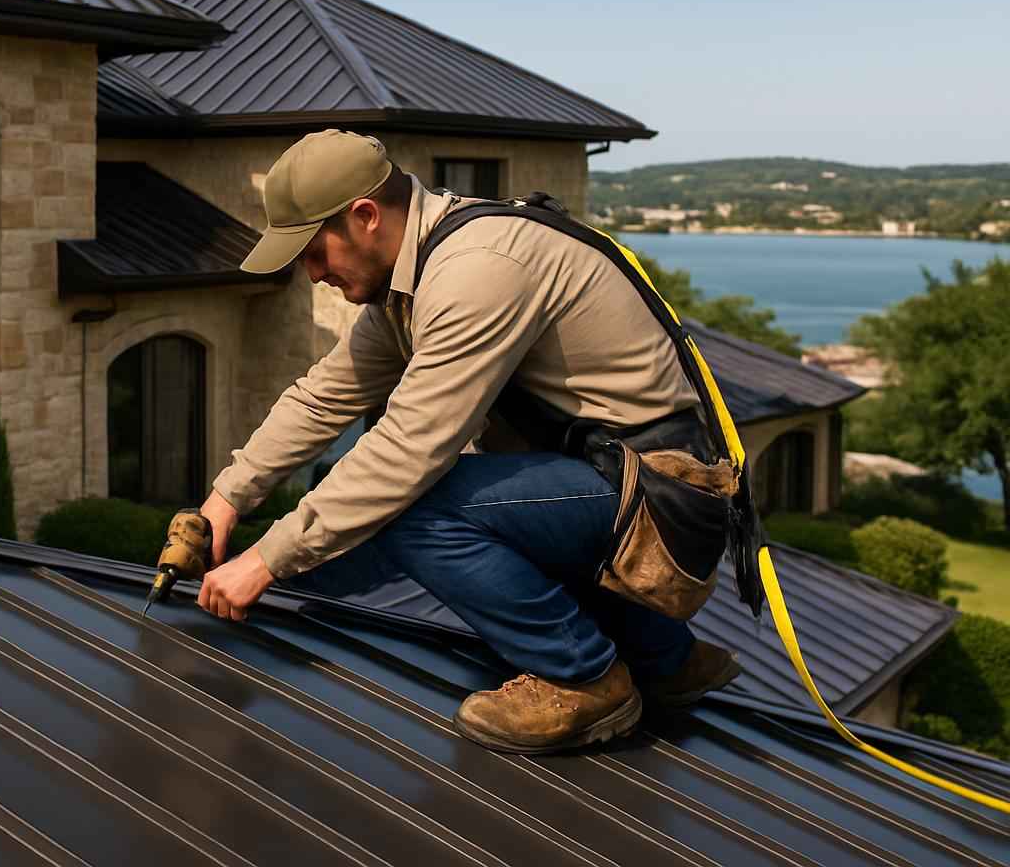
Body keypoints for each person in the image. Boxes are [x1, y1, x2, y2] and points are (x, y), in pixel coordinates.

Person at [192, 128, 741, 753]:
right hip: (611, 484)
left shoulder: (477, 271)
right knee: (450, 497)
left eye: (315, 252)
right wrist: (226, 500)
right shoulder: (417, 277)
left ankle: (585, 681)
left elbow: (407, 452)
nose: (312, 275)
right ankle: (663, 659)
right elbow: (325, 396)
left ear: (365, 217)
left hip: (659, 499)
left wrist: (265, 560)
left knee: (413, 506)